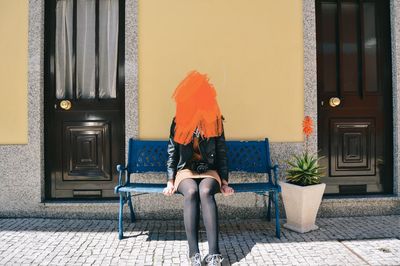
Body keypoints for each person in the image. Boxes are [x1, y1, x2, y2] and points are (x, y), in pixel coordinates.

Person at [163, 71, 234, 266]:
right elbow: (172, 151)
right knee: (192, 191)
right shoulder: (178, 120)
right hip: (185, 170)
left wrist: (225, 182)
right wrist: (170, 180)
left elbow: (221, 152)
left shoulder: (215, 119)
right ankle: (194, 253)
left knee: (205, 191)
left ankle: (214, 254)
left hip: (209, 170)